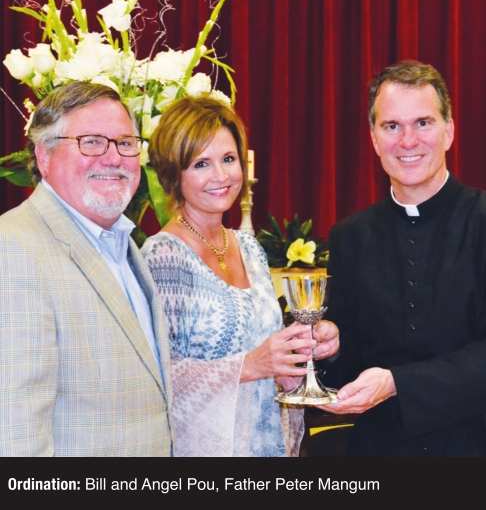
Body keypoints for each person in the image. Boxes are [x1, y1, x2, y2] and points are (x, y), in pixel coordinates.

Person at [141, 95, 339, 457]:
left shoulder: (249, 247)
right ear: (173, 173)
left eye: (228, 159)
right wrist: (251, 365)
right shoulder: (163, 257)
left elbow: (263, 352)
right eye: (201, 163)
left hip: (267, 445)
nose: (221, 176)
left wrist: (297, 352)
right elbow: (154, 377)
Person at [319, 60, 486, 456]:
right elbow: (346, 366)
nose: (408, 141)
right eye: (392, 126)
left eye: (423, 123)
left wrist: (398, 383)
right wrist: (331, 347)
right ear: (374, 139)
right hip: (378, 452)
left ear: (449, 132)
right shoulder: (350, 236)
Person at [0, 82, 174, 456]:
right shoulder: (13, 249)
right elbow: (15, 434)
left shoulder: (122, 242)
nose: (113, 158)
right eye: (91, 142)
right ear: (44, 156)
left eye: (125, 143)